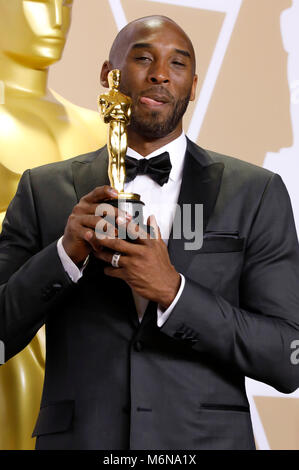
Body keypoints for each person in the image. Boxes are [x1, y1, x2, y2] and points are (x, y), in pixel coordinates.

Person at [0, 15, 299, 451]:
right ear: (108, 75)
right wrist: (63, 256)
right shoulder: (43, 188)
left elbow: (287, 356)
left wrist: (174, 292)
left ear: (193, 86)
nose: (160, 73)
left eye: (177, 64)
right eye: (143, 57)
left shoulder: (255, 193)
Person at [0, 0, 106, 450]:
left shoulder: (98, 127)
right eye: (39, 2)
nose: (57, 19)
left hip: (85, 317)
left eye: (65, 3)